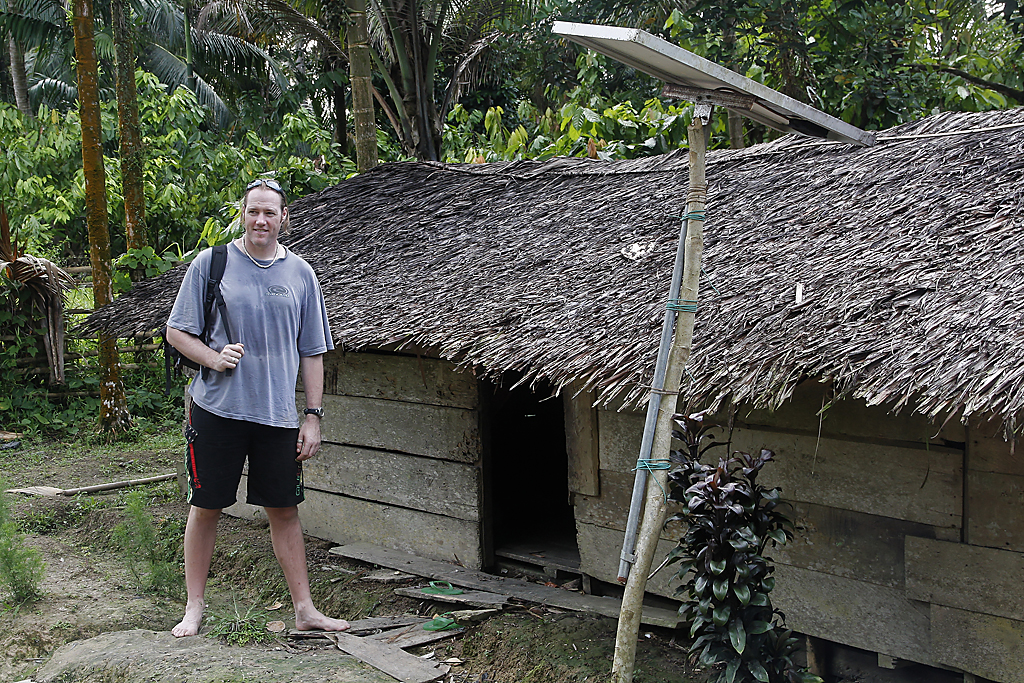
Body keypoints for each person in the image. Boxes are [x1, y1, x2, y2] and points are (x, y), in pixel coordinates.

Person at [165, 178, 349, 637]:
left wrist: (313, 416)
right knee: (206, 506)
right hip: (217, 410)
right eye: (253, 212)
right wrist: (212, 357)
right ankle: (194, 607)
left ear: (284, 218)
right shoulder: (212, 264)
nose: (261, 221)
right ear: (242, 214)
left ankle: (305, 610)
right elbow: (176, 331)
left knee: (284, 508)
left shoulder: (302, 274)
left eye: (270, 213)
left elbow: (313, 351)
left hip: (277, 417)